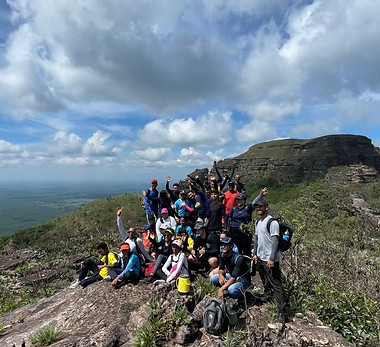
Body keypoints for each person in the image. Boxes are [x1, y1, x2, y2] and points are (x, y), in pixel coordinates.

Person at [252, 198, 287, 323]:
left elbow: (275, 241)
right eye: (257, 207)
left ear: (266, 207)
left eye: (261, 207)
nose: (258, 209)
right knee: (265, 279)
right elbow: (256, 239)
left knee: (276, 284)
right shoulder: (258, 222)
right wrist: (255, 253)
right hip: (261, 257)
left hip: (270, 259)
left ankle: (282, 312)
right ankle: (267, 297)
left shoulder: (272, 223)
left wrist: (271, 258)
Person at [227, 188, 267, 256]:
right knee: (236, 250)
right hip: (234, 233)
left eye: (241, 200)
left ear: (244, 201)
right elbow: (229, 219)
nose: (239, 201)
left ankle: (247, 264)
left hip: (245, 233)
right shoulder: (234, 209)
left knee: (246, 250)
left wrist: (261, 195)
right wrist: (228, 229)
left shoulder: (247, 208)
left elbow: (254, 202)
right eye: (237, 200)